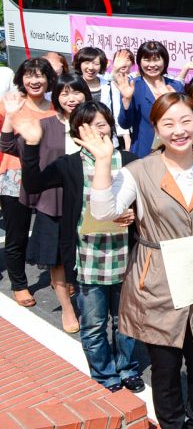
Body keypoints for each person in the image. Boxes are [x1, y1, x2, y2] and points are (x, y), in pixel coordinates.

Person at [87, 93, 193, 429]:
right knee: (164, 369)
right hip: (157, 278)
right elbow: (103, 211)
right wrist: (105, 162)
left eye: (185, 121)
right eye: (168, 123)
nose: (178, 130)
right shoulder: (139, 170)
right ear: (156, 127)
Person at [20, 101, 145, 393]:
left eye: (102, 124)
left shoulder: (130, 159)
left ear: (111, 125)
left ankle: (127, 368)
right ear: (77, 132)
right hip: (88, 256)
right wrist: (31, 145)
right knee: (94, 323)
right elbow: (34, 183)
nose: (97, 131)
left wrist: (135, 214)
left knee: (127, 321)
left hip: (126, 255)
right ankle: (104, 374)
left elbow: (148, 202)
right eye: (88, 126)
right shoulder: (70, 163)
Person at [1, 73, 92, 333]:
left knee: (88, 255)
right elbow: (7, 144)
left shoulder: (94, 120)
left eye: (76, 92)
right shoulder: (48, 123)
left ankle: (92, 303)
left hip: (89, 201)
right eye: (64, 93)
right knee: (58, 260)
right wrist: (9, 116)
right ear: (57, 97)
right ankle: (67, 308)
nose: (71, 98)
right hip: (55, 203)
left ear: (85, 93)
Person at [0, 58, 56, 308]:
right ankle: (19, 284)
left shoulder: (56, 106)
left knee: (53, 229)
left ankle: (59, 277)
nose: (35, 81)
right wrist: (11, 115)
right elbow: (5, 142)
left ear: (48, 79)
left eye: (40, 75)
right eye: (29, 75)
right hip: (15, 177)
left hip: (49, 177)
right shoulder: (10, 103)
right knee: (17, 234)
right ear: (21, 78)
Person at [116, 41, 185, 157]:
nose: (152, 65)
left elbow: (185, 119)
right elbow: (125, 124)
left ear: (165, 61)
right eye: (147, 60)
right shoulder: (133, 86)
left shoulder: (176, 86)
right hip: (143, 152)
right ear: (139, 62)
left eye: (156, 59)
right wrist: (126, 101)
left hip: (174, 150)